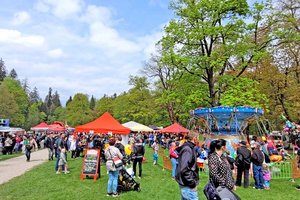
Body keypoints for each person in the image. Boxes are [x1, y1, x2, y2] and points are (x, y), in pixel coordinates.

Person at [175, 131, 199, 200]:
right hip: (188, 185)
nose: (198, 139)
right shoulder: (188, 149)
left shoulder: (190, 147)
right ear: (194, 138)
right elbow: (184, 169)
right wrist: (192, 183)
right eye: (198, 137)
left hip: (186, 183)